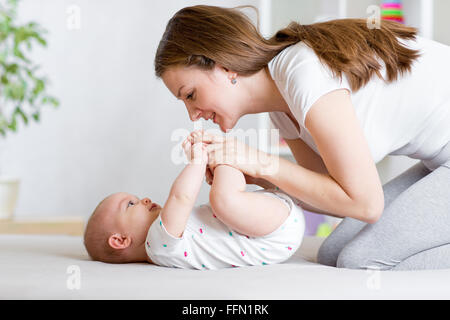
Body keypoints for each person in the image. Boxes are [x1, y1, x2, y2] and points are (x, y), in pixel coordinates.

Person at [154, 5, 450, 270]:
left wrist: (262, 162)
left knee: (361, 260)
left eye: (190, 95)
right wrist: (257, 175)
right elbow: (330, 197)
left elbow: (367, 205)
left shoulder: (303, 73)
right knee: (331, 253)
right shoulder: (281, 109)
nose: (192, 115)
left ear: (224, 66)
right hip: (439, 160)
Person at [84, 130, 305, 269]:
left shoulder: (164, 244)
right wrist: (198, 160)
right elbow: (182, 197)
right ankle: (225, 155)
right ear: (121, 240)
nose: (144, 200)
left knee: (225, 198)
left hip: (270, 224)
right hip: (274, 234)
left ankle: (233, 162)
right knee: (223, 199)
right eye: (130, 204)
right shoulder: (158, 245)